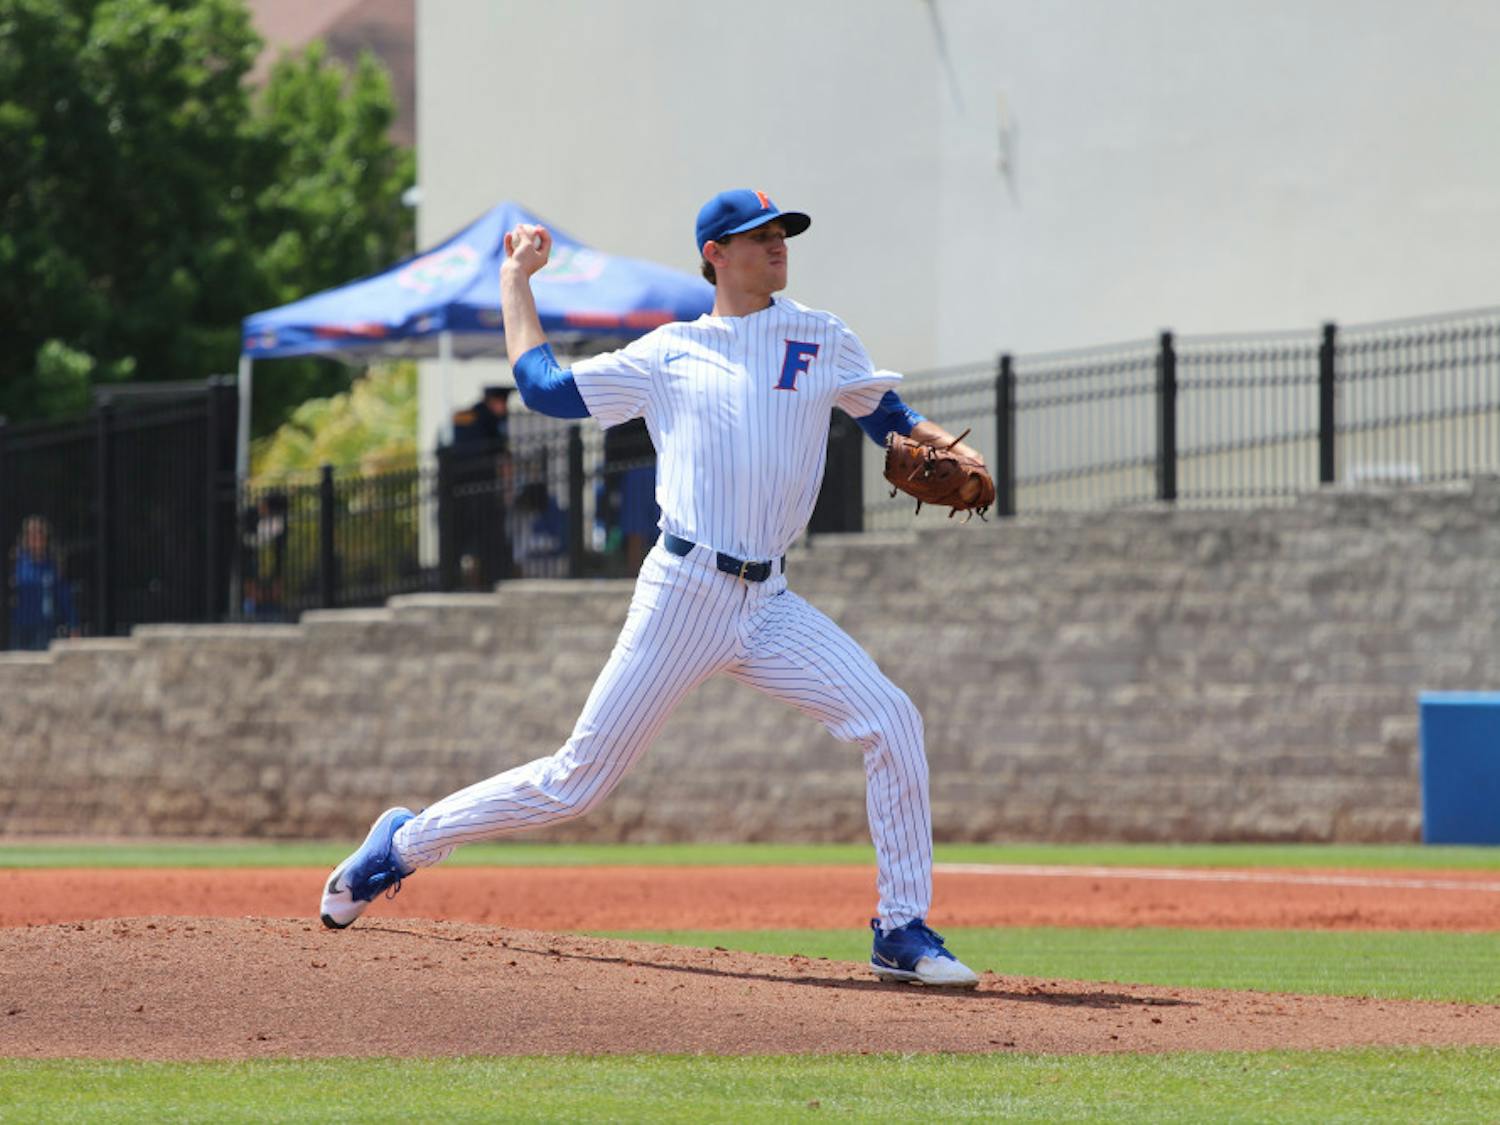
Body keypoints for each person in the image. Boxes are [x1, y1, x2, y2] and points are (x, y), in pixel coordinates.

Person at [321, 189, 986, 989]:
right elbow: (546, 389)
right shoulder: (669, 353)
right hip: (685, 592)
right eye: (758, 236)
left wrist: (950, 449)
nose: (777, 245)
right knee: (574, 783)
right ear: (716, 252)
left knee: (891, 719)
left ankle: (901, 928)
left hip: (769, 603)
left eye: (783, 234)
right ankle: (402, 843)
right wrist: (516, 285)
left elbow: (889, 416)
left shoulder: (819, 334)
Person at [448, 386, 516, 585]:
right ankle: (488, 579)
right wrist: (506, 489)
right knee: (486, 538)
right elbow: (502, 455)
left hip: (457, 488)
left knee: (460, 539)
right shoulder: (492, 421)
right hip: (481, 487)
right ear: (494, 402)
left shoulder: (464, 416)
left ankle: (457, 581)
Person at [8, 515, 78, 650]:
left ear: (45, 539)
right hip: (19, 626)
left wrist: (73, 625)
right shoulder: (16, 563)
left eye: (39, 534)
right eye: (31, 535)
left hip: (44, 627)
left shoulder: (52, 566)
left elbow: (64, 596)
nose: (35, 539)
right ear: (26, 539)